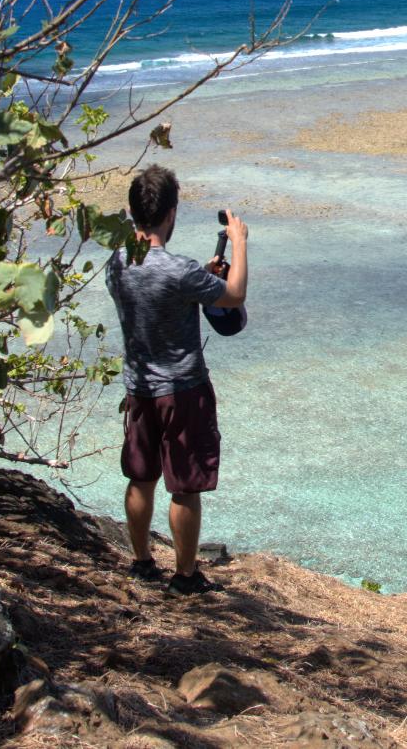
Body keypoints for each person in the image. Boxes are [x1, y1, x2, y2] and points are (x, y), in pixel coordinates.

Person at [105, 165, 247, 595]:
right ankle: (185, 577)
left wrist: (203, 274)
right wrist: (238, 244)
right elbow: (235, 294)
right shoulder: (179, 271)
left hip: (139, 389)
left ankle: (142, 563)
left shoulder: (116, 262)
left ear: (132, 212)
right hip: (183, 390)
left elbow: (162, 285)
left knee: (141, 478)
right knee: (185, 486)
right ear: (171, 213)